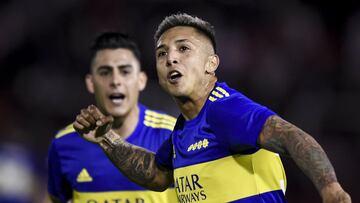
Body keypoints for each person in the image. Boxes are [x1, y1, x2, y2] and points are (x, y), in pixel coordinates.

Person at [73, 14, 352, 203]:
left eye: (184, 49)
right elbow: (157, 174)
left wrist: (330, 188)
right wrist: (105, 139)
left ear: (211, 64)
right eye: (162, 53)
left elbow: (291, 136)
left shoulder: (224, 110)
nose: (171, 58)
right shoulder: (184, 129)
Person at [47, 32, 178, 203]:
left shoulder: (173, 135)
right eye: (105, 72)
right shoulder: (63, 144)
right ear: (90, 82)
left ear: (141, 80)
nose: (115, 80)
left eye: (125, 71)